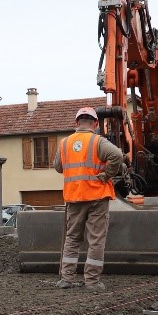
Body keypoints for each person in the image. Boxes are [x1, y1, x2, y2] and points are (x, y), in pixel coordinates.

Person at [52, 106, 124, 290]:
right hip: (97, 197)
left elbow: (58, 167)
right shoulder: (98, 141)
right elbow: (116, 155)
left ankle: (66, 278)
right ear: (96, 123)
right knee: (96, 239)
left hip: (74, 197)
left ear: (77, 123)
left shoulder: (65, 143)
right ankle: (91, 281)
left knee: (72, 238)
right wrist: (107, 174)